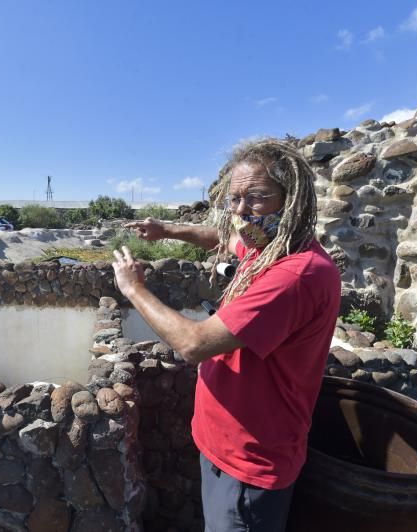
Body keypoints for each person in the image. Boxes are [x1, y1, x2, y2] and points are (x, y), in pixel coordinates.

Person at [112, 139, 341, 532]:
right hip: (225, 448)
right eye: (234, 199)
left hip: (249, 464)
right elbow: (220, 238)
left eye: (256, 198)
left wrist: (134, 289)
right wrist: (166, 229)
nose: (240, 212)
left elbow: (193, 344)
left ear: (293, 200)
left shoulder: (294, 275)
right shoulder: (268, 246)